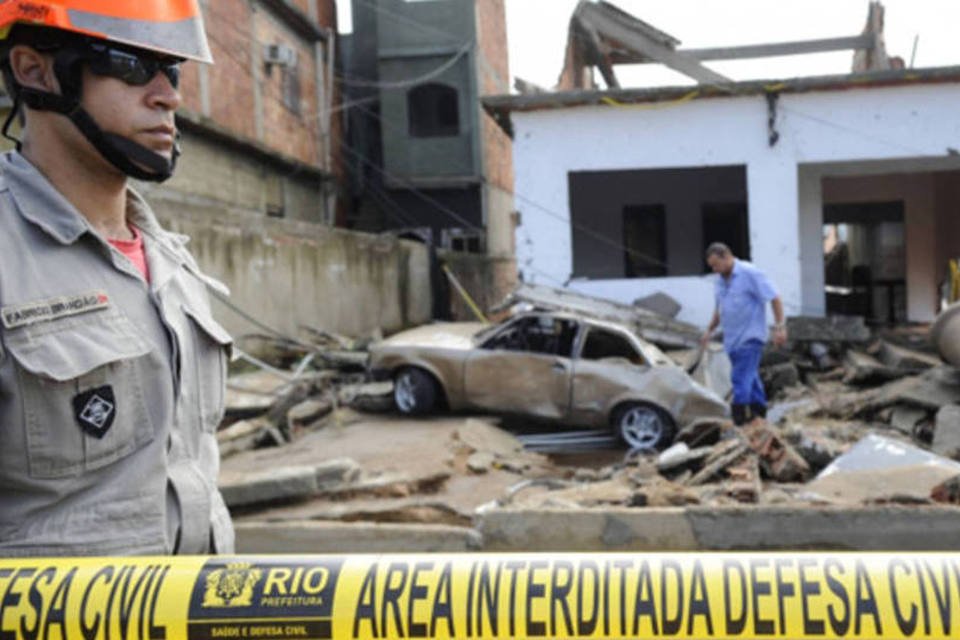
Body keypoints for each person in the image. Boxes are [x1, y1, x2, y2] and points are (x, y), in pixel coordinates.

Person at [0, 1, 234, 556]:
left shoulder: (173, 264)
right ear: (35, 71)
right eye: (132, 65)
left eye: (171, 69)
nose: (167, 95)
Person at [701, 243, 787, 426]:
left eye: (716, 265)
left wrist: (780, 327)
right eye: (712, 267)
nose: (715, 270)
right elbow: (719, 310)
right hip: (732, 341)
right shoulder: (720, 281)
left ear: (726, 256)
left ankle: (740, 422)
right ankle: (761, 419)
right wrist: (709, 330)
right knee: (752, 380)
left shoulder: (750, 273)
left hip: (750, 338)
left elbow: (774, 297)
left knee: (740, 380)